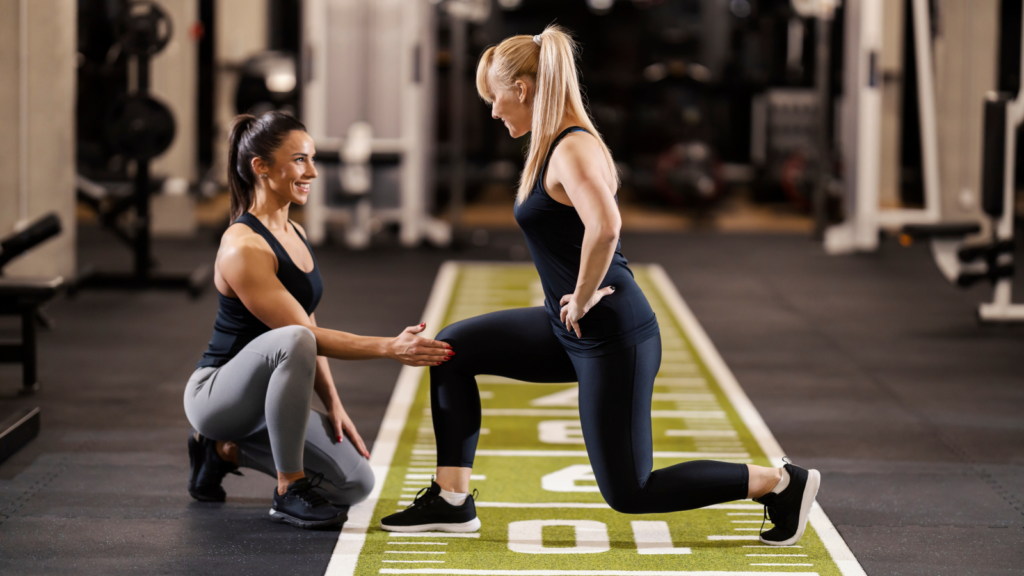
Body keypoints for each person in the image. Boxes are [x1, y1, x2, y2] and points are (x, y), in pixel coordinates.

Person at [379, 25, 820, 547]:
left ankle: (778, 483)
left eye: (494, 98)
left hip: (611, 336)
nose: (493, 112)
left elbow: (606, 225)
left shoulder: (572, 148)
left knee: (631, 491)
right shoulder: (550, 145)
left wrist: (584, 293)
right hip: (568, 328)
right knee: (451, 349)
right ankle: (452, 500)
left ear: (521, 88)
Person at [184, 111, 455, 530]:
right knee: (293, 340)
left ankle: (220, 453)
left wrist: (333, 403)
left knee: (355, 485)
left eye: (311, 158)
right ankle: (288, 490)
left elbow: (305, 316)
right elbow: (302, 337)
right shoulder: (243, 247)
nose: (311, 171)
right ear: (261, 167)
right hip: (220, 397)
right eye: (298, 160)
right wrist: (390, 347)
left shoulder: (296, 233)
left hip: (266, 403)